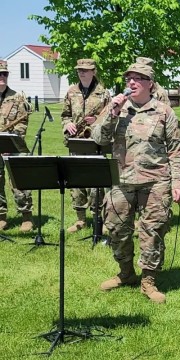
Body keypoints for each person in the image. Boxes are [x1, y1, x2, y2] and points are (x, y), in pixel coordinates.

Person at [92, 60, 180, 303]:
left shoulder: (165, 112)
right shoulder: (116, 107)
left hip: (156, 181)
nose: (131, 82)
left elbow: (176, 150)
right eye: (128, 78)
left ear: (150, 84)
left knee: (152, 231)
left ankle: (148, 281)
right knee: (116, 229)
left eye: (138, 78)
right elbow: (98, 138)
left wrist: (178, 183)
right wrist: (112, 113)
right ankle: (125, 274)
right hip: (121, 179)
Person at [61, 58, 111, 233]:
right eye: (79, 70)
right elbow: (65, 115)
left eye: (86, 70)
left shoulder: (103, 93)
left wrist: (97, 120)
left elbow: (110, 118)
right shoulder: (71, 92)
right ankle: (80, 219)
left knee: (97, 184)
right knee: (76, 183)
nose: (81, 72)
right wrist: (67, 124)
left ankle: (101, 219)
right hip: (76, 143)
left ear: (93, 71)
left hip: (95, 143)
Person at [0, 60, 34, 232]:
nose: (2, 77)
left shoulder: (17, 98)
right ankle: (1, 217)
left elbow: (22, 124)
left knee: (19, 181)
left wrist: (10, 141)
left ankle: (26, 217)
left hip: (13, 146)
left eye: (4, 74)